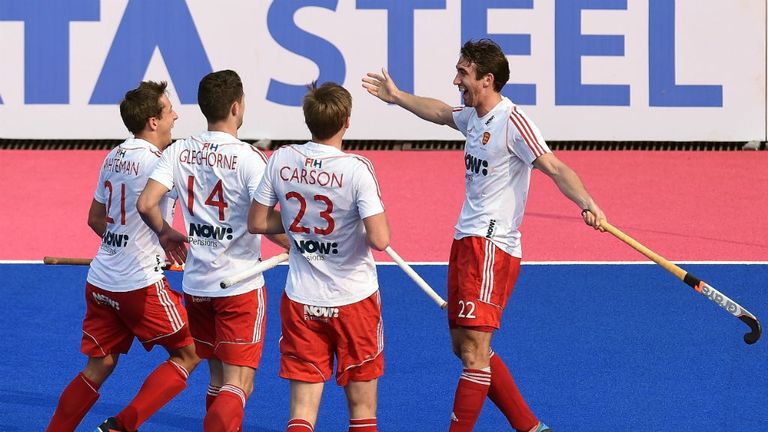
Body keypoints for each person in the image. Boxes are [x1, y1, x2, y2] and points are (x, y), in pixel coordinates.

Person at [363, 39, 606, 432]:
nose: (456, 80)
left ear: (487, 80)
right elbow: (441, 113)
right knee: (464, 347)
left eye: (463, 73)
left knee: (475, 350)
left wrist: (588, 204)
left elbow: (555, 167)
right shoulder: (474, 116)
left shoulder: (513, 121)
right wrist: (397, 97)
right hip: (465, 241)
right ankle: (530, 427)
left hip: (492, 246)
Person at [137, 70, 287, 432]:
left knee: (218, 381)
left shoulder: (179, 151)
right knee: (239, 384)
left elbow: (146, 203)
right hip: (239, 286)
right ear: (236, 107)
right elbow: (263, 221)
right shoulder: (250, 159)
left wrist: (165, 232)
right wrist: (306, 246)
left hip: (197, 286)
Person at [46, 81, 200, 432]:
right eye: (169, 111)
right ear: (153, 121)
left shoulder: (113, 156)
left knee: (98, 366)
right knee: (190, 352)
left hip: (101, 281)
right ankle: (122, 426)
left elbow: (95, 219)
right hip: (139, 286)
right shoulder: (160, 164)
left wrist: (122, 243)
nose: (176, 116)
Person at [248, 81, 390, 432]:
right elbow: (380, 239)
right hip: (354, 299)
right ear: (346, 121)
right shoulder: (357, 168)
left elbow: (257, 222)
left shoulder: (281, 158)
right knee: (362, 409)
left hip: (302, 300)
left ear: (307, 119)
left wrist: (302, 229)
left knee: (302, 411)